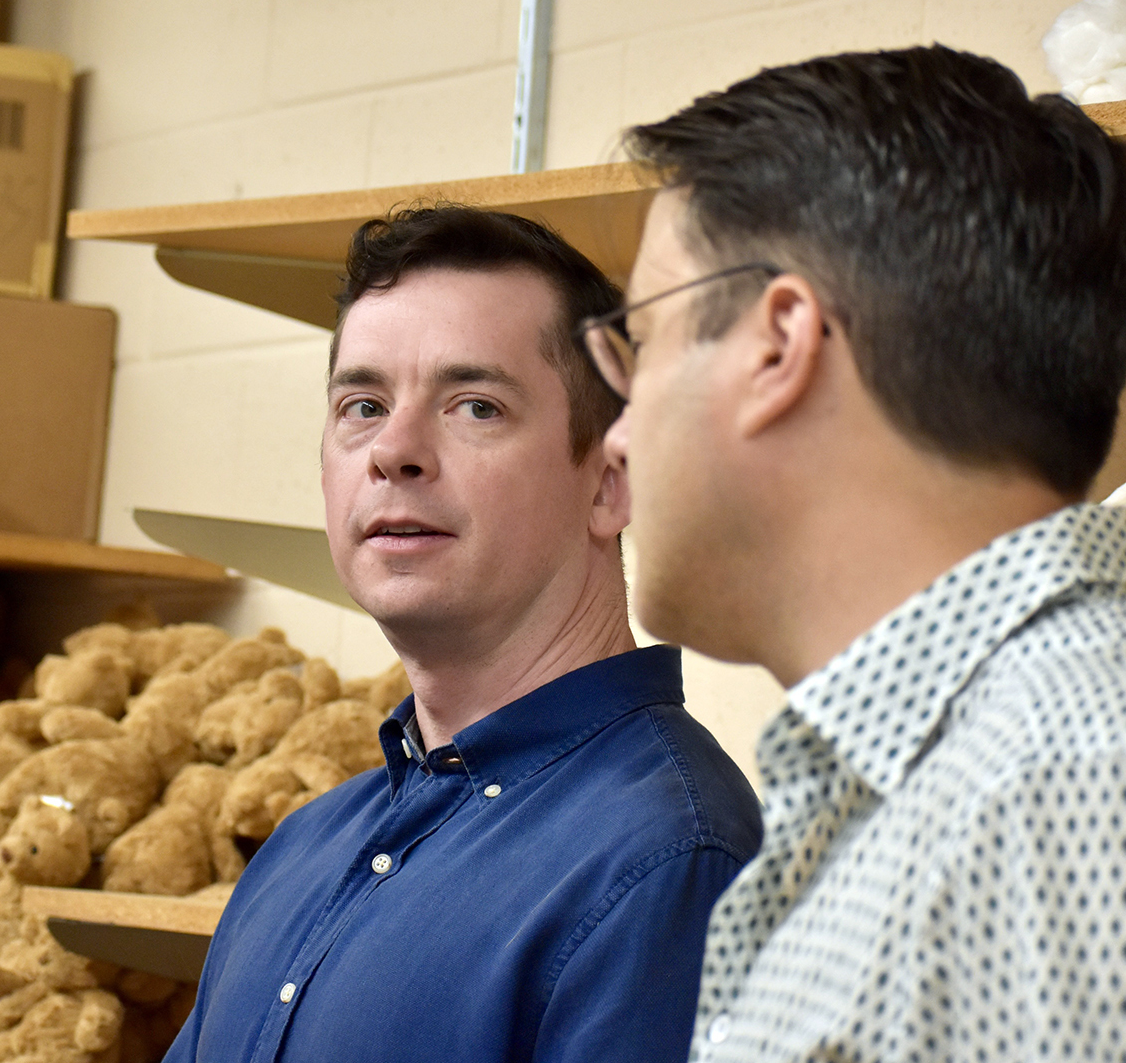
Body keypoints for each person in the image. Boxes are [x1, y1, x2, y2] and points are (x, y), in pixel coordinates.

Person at [589, 45, 1126, 1061]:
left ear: (777, 345)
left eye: (642, 345)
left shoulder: (1079, 805)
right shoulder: (993, 782)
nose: (616, 434)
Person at [165, 205, 762, 1063]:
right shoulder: (304, 845)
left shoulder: (666, 861)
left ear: (610, 481)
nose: (394, 450)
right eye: (363, 405)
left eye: (475, 406)